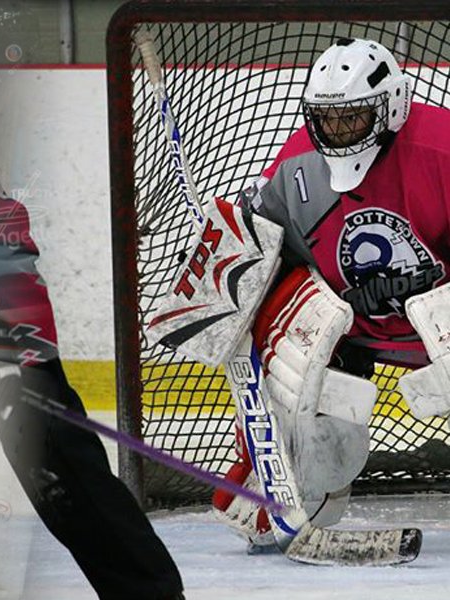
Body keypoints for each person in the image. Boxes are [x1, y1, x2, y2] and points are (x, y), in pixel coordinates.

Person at [0, 1, 184, 597]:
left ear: (6, 66)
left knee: (68, 476)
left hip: (13, 345)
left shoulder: (17, 137)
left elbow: (8, 246)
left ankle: (150, 590)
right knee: (57, 484)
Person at [190, 37, 450, 554]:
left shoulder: (441, 149)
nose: (338, 131)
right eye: (327, 119)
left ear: (392, 106)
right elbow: (255, 250)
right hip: (349, 328)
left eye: (353, 118)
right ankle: (287, 480)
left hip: (441, 322)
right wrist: (218, 263)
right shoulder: (298, 165)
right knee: (290, 322)